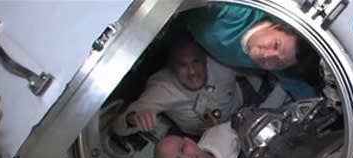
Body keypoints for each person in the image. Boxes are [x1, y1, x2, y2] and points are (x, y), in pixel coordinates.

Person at [112, 38, 289, 137]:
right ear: (172, 69)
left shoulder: (221, 62)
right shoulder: (163, 89)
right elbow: (118, 127)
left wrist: (270, 88)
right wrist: (133, 119)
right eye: (182, 65)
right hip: (205, 136)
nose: (192, 71)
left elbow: (254, 68)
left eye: (196, 61)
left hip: (243, 104)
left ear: (205, 60)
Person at [186, 3, 319, 100]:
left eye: (278, 62)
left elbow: (302, 92)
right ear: (277, 26)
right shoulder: (236, 11)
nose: (268, 55)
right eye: (276, 44)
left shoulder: (273, 63)